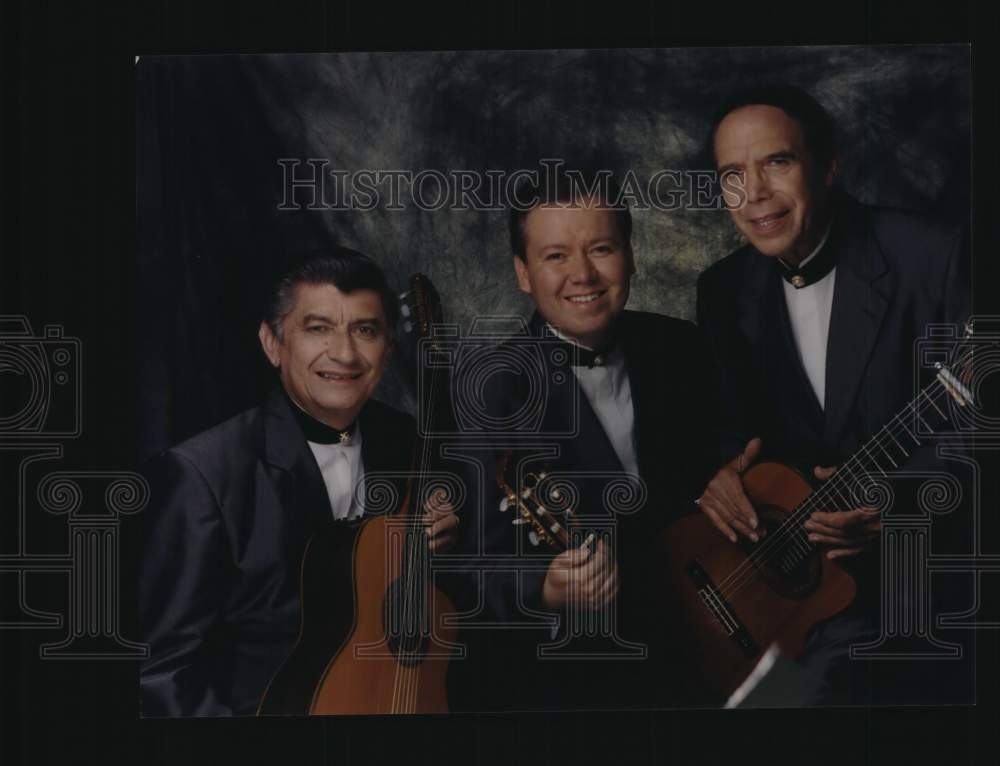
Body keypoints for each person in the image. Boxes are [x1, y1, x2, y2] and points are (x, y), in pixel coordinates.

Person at [695, 85, 971, 705]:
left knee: (811, 707)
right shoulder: (722, 290)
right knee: (730, 707)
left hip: (924, 583)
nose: (755, 193)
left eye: (777, 162)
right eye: (732, 174)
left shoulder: (934, 255)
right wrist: (719, 474)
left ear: (828, 165)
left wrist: (896, 507)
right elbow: (726, 427)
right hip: (793, 597)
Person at [139, 248, 459, 716]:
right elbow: (160, 674)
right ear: (273, 344)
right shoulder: (202, 474)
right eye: (318, 328)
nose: (345, 354)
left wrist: (445, 547)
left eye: (365, 331)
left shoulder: (409, 444)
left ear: (387, 351)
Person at [450, 170, 715, 711]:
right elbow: (466, 562)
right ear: (523, 273)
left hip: (712, 626)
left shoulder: (682, 348)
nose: (583, 274)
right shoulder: (491, 388)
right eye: (555, 257)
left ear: (632, 255)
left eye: (601, 248)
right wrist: (544, 588)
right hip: (580, 671)